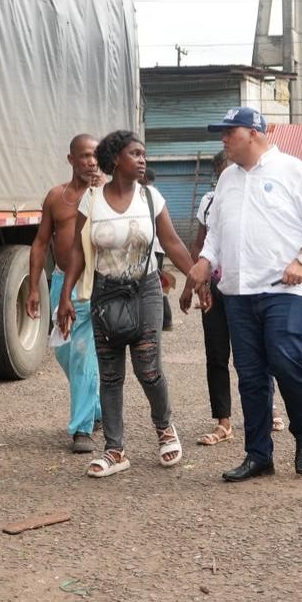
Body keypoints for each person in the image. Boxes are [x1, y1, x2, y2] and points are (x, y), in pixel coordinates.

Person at [184, 107, 302, 482]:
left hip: (288, 287)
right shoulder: (227, 180)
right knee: (250, 375)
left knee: (285, 357)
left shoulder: (291, 170)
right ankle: (258, 455)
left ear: (253, 133)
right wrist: (204, 261)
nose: (223, 139)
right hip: (239, 291)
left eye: (228, 132)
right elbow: (216, 231)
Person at [58, 130, 200, 478]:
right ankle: (115, 450)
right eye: (135, 154)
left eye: (143, 154)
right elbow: (78, 250)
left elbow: (173, 242)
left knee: (148, 368)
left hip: (145, 290)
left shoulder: (151, 197)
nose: (142, 160)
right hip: (105, 293)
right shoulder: (91, 201)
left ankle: (165, 427)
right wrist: (66, 295)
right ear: (116, 159)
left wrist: (197, 278)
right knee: (110, 376)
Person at [184, 150, 284, 447]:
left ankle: (269, 409)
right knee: (216, 354)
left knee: (253, 355)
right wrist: (195, 286)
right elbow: (201, 245)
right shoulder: (210, 202)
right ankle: (223, 422)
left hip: (247, 286)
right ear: (219, 174)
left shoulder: (258, 198)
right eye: (224, 169)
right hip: (215, 286)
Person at [26, 135, 103, 453]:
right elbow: (41, 243)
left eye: (96, 156)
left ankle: (81, 429)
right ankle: (96, 408)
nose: (91, 162)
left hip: (93, 284)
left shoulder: (106, 194)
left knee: (84, 352)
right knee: (63, 351)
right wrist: (33, 287)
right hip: (62, 282)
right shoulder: (56, 197)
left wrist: (102, 189)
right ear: (71, 159)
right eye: (85, 156)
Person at [142, 168, 176, 331]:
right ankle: (165, 321)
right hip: (158, 247)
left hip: (154, 247)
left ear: (143, 177)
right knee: (158, 281)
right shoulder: (153, 192)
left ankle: (166, 320)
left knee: (156, 282)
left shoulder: (148, 194)